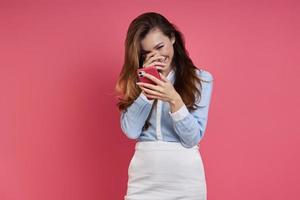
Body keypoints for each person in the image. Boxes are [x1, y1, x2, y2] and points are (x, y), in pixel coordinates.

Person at [115, 12, 214, 200]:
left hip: (185, 179)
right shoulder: (136, 81)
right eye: (147, 53)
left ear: (172, 38)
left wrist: (174, 99)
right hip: (144, 177)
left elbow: (192, 138)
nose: (157, 56)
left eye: (160, 47)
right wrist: (147, 90)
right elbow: (131, 131)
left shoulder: (201, 80)